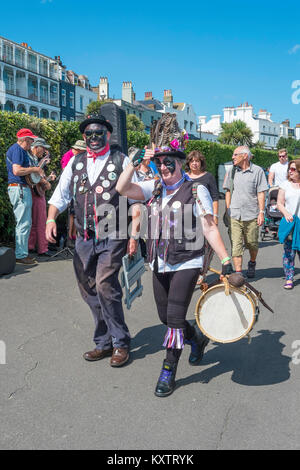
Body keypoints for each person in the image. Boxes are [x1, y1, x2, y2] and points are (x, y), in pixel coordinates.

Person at [116, 114, 234, 397]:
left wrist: (227, 261)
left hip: (187, 261)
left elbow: (208, 227)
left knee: (173, 316)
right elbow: (121, 188)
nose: (164, 166)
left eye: (170, 161)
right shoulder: (153, 188)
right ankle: (197, 338)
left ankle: (168, 370)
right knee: (164, 317)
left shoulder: (197, 189)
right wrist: (133, 163)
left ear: (180, 163)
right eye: (160, 162)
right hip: (159, 262)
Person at [46, 113, 135, 368]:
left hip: (113, 233)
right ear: (84, 137)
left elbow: (137, 194)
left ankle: (120, 343)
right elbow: (60, 196)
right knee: (89, 289)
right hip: (84, 237)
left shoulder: (121, 159)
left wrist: (135, 232)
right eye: (89, 134)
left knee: (105, 285)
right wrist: (51, 220)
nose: (94, 137)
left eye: (99, 133)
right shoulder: (75, 163)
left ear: (108, 134)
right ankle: (103, 341)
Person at [223, 146, 268, 278]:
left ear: (245, 156)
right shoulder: (231, 171)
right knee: (236, 246)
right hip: (235, 215)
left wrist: (261, 212)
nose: (233, 157)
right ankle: (238, 274)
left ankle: (252, 262)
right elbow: (228, 191)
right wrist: (227, 210)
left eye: (235, 154)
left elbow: (261, 193)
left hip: (252, 214)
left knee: (252, 244)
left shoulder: (258, 171)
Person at [6, 128, 44, 265]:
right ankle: (21, 255)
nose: (32, 143)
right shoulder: (18, 150)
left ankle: (21, 253)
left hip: (20, 188)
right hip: (20, 188)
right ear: (25, 139)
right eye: (30, 140)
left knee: (24, 222)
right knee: (24, 223)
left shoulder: (19, 150)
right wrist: (35, 169)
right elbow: (17, 170)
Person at [28, 138, 56, 257]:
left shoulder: (33, 160)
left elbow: (38, 180)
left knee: (33, 222)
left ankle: (31, 246)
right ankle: (43, 249)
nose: (44, 151)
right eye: (43, 148)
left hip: (32, 193)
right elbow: (39, 180)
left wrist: (48, 179)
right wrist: (46, 182)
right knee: (40, 222)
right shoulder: (34, 161)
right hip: (37, 195)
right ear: (36, 147)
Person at [277, 159, 300, 289]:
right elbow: (279, 203)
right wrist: (286, 213)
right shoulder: (285, 184)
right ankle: (289, 278)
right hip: (290, 223)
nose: (290, 171)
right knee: (289, 253)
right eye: (289, 169)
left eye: (293, 169)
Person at [186, 150, 219, 225]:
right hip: (187, 215)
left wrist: (215, 216)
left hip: (205, 215)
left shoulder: (208, 177)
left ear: (201, 162)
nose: (194, 163)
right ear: (188, 163)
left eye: (197, 161)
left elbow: (215, 198)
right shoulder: (184, 177)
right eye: (192, 161)